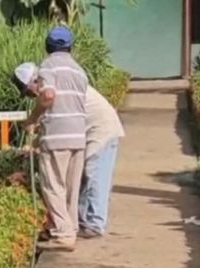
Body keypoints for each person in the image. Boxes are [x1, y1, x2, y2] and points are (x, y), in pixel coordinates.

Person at [18, 26, 89, 252]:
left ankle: (63, 234)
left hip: (58, 135)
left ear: (48, 47)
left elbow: (48, 96)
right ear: (70, 47)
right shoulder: (79, 71)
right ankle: (71, 229)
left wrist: (32, 119)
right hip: (79, 136)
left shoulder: (48, 66)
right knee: (71, 186)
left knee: (52, 185)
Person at [78, 83, 125, 238]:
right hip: (100, 129)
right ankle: (85, 220)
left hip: (102, 131)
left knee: (96, 175)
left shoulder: (59, 89)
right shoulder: (67, 83)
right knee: (90, 176)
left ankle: (95, 223)